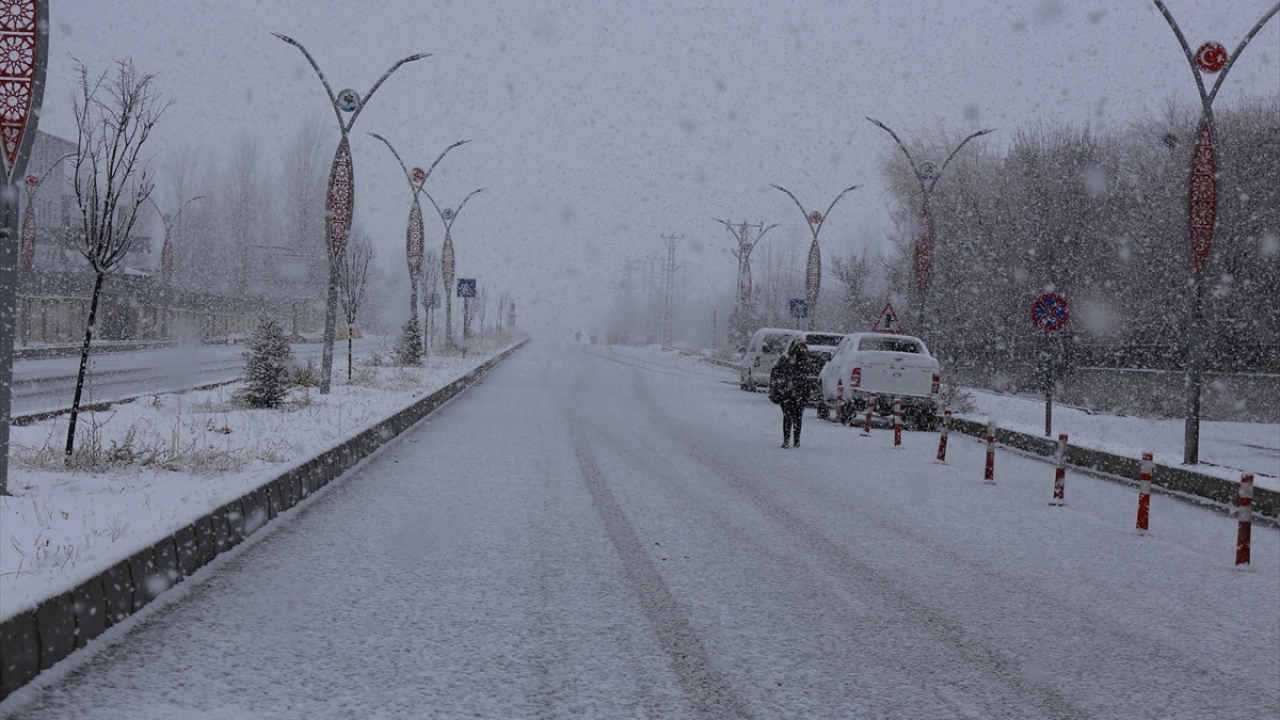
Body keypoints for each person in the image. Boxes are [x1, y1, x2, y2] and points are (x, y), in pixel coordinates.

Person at [769, 341, 808, 448]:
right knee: (791, 416)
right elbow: (777, 373)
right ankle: (790, 439)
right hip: (789, 393)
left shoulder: (802, 362)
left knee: (794, 416)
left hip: (795, 393)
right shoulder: (786, 361)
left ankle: (794, 439)